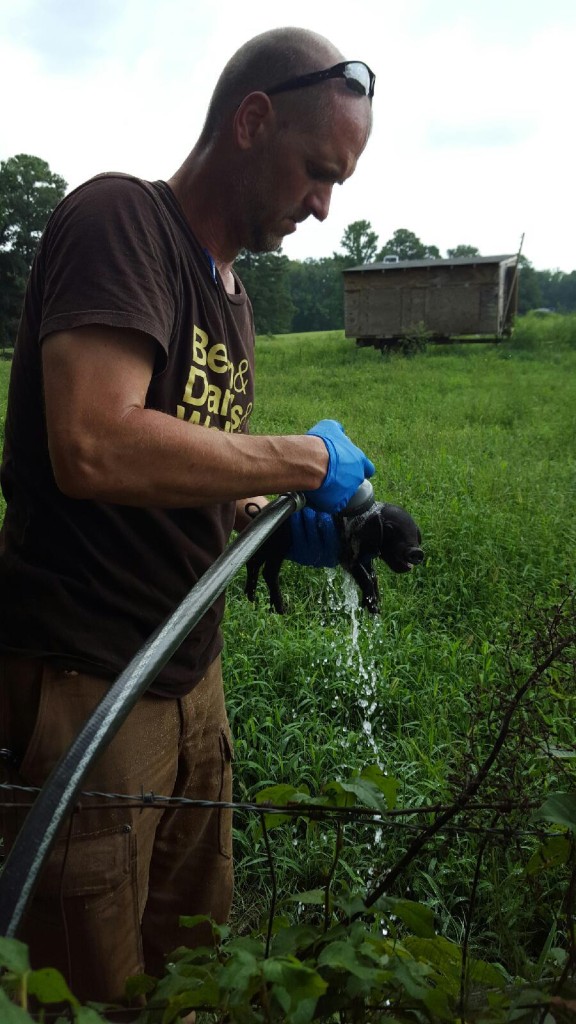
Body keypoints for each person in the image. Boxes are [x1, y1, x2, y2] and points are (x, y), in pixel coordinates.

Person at [0, 26, 375, 1009]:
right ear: (253, 121)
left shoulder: (235, 298)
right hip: (89, 684)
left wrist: (275, 516)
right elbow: (93, 442)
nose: (325, 207)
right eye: (318, 172)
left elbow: (189, 460)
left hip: (189, 680)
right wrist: (302, 459)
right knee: (86, 987)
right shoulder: (121, 220)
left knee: (192, 964)